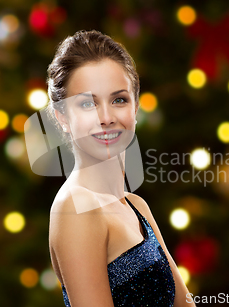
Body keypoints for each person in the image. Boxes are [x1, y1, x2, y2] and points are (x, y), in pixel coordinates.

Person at [46, 30, 196, 306]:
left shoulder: (136, 206)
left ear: (135, 107)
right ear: (62, 118)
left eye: (118, 100)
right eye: (87, 104)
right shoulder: (76, 207)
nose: (106, 118)